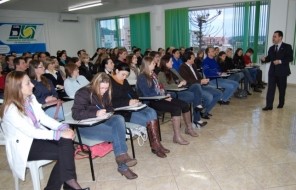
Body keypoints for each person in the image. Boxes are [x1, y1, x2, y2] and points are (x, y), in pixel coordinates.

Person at [0, 71, 89, 190]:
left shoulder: (30, 98)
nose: (33, 85)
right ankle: (69, 184)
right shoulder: (10, 109)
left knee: (66, 145)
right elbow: (31, 132)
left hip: (36, 138)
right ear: (17, 88)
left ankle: (67, 184)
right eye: (28, 83)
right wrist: (59, 134)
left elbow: (43, 118)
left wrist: (62, 127)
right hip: (25, 146)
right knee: (65, 151)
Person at [72, 73, 138, 179]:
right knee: (118, 133)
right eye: (101, 88)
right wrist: (96, 113)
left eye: (106, 88)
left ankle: (121, 158)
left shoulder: (106, 92)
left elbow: (110, 107)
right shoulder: (82, 93)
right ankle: (123, 165)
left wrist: (108, 111)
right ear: (94, 84)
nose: (103, 91)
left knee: (118, 119)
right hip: (86, 128)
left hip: (102, 121)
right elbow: (76, 114)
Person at [110, 63, 169, 158]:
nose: (124, 77)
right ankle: (155, 146)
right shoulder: (109, 83)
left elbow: (133, 93)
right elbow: (110, 102)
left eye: (126, 75)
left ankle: (156, 144)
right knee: (148, 119)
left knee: (152, 112)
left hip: (132, 108)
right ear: (116, 71)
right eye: (123, 74)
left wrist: (136, 100)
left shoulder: (124, 81)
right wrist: (128, 102)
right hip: (122, 113)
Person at [137, 56, 198, 145]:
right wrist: (162, 96)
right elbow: (147, 94)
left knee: (184, 105)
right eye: (153, 63)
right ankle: (177, 136)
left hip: (160, 98)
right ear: (147, 65)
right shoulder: (142, 77)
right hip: (151, 101)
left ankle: (189, 129)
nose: (155, 64)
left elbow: (160, 87)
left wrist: (165, 94)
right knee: (176, 109)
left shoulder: (153, 74)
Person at [158, 54, 207, 128]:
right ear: (166, 63)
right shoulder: (161, 73)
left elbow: (182, 79)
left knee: (196, 86)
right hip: (173, 93)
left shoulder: (173, 70)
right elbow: (164, 86)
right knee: (195, 97)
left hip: (182, 89)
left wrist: (184, 81)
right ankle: (196, 119)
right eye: (171, 61)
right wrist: (178, 86)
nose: (173, 63)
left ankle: (197, 107)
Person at [179, 51, 222, 120]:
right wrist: (200, 81)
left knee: (218, 93)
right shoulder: (182, 67)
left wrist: (203, 80)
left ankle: (204, 111)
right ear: (188, 59)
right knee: (209, 97)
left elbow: (198, 77)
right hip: (192, 88)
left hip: (200, 85)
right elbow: (187, 81)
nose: (194, 59)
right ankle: (198, 112)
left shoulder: (193, 65)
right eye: (193, 58)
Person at [261, 30, 294, 110]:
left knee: (282, 89)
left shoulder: (287, 47)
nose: (273, 38)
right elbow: (269, 58)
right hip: (272, 72)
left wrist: (280, 61)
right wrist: (264, 59)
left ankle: (281, 103)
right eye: (273, 36)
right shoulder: (271, 48)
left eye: (275, 36)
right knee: (270, 89)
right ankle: (269, 105)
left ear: (280, 37)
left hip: (282, 72)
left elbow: (290, 58)